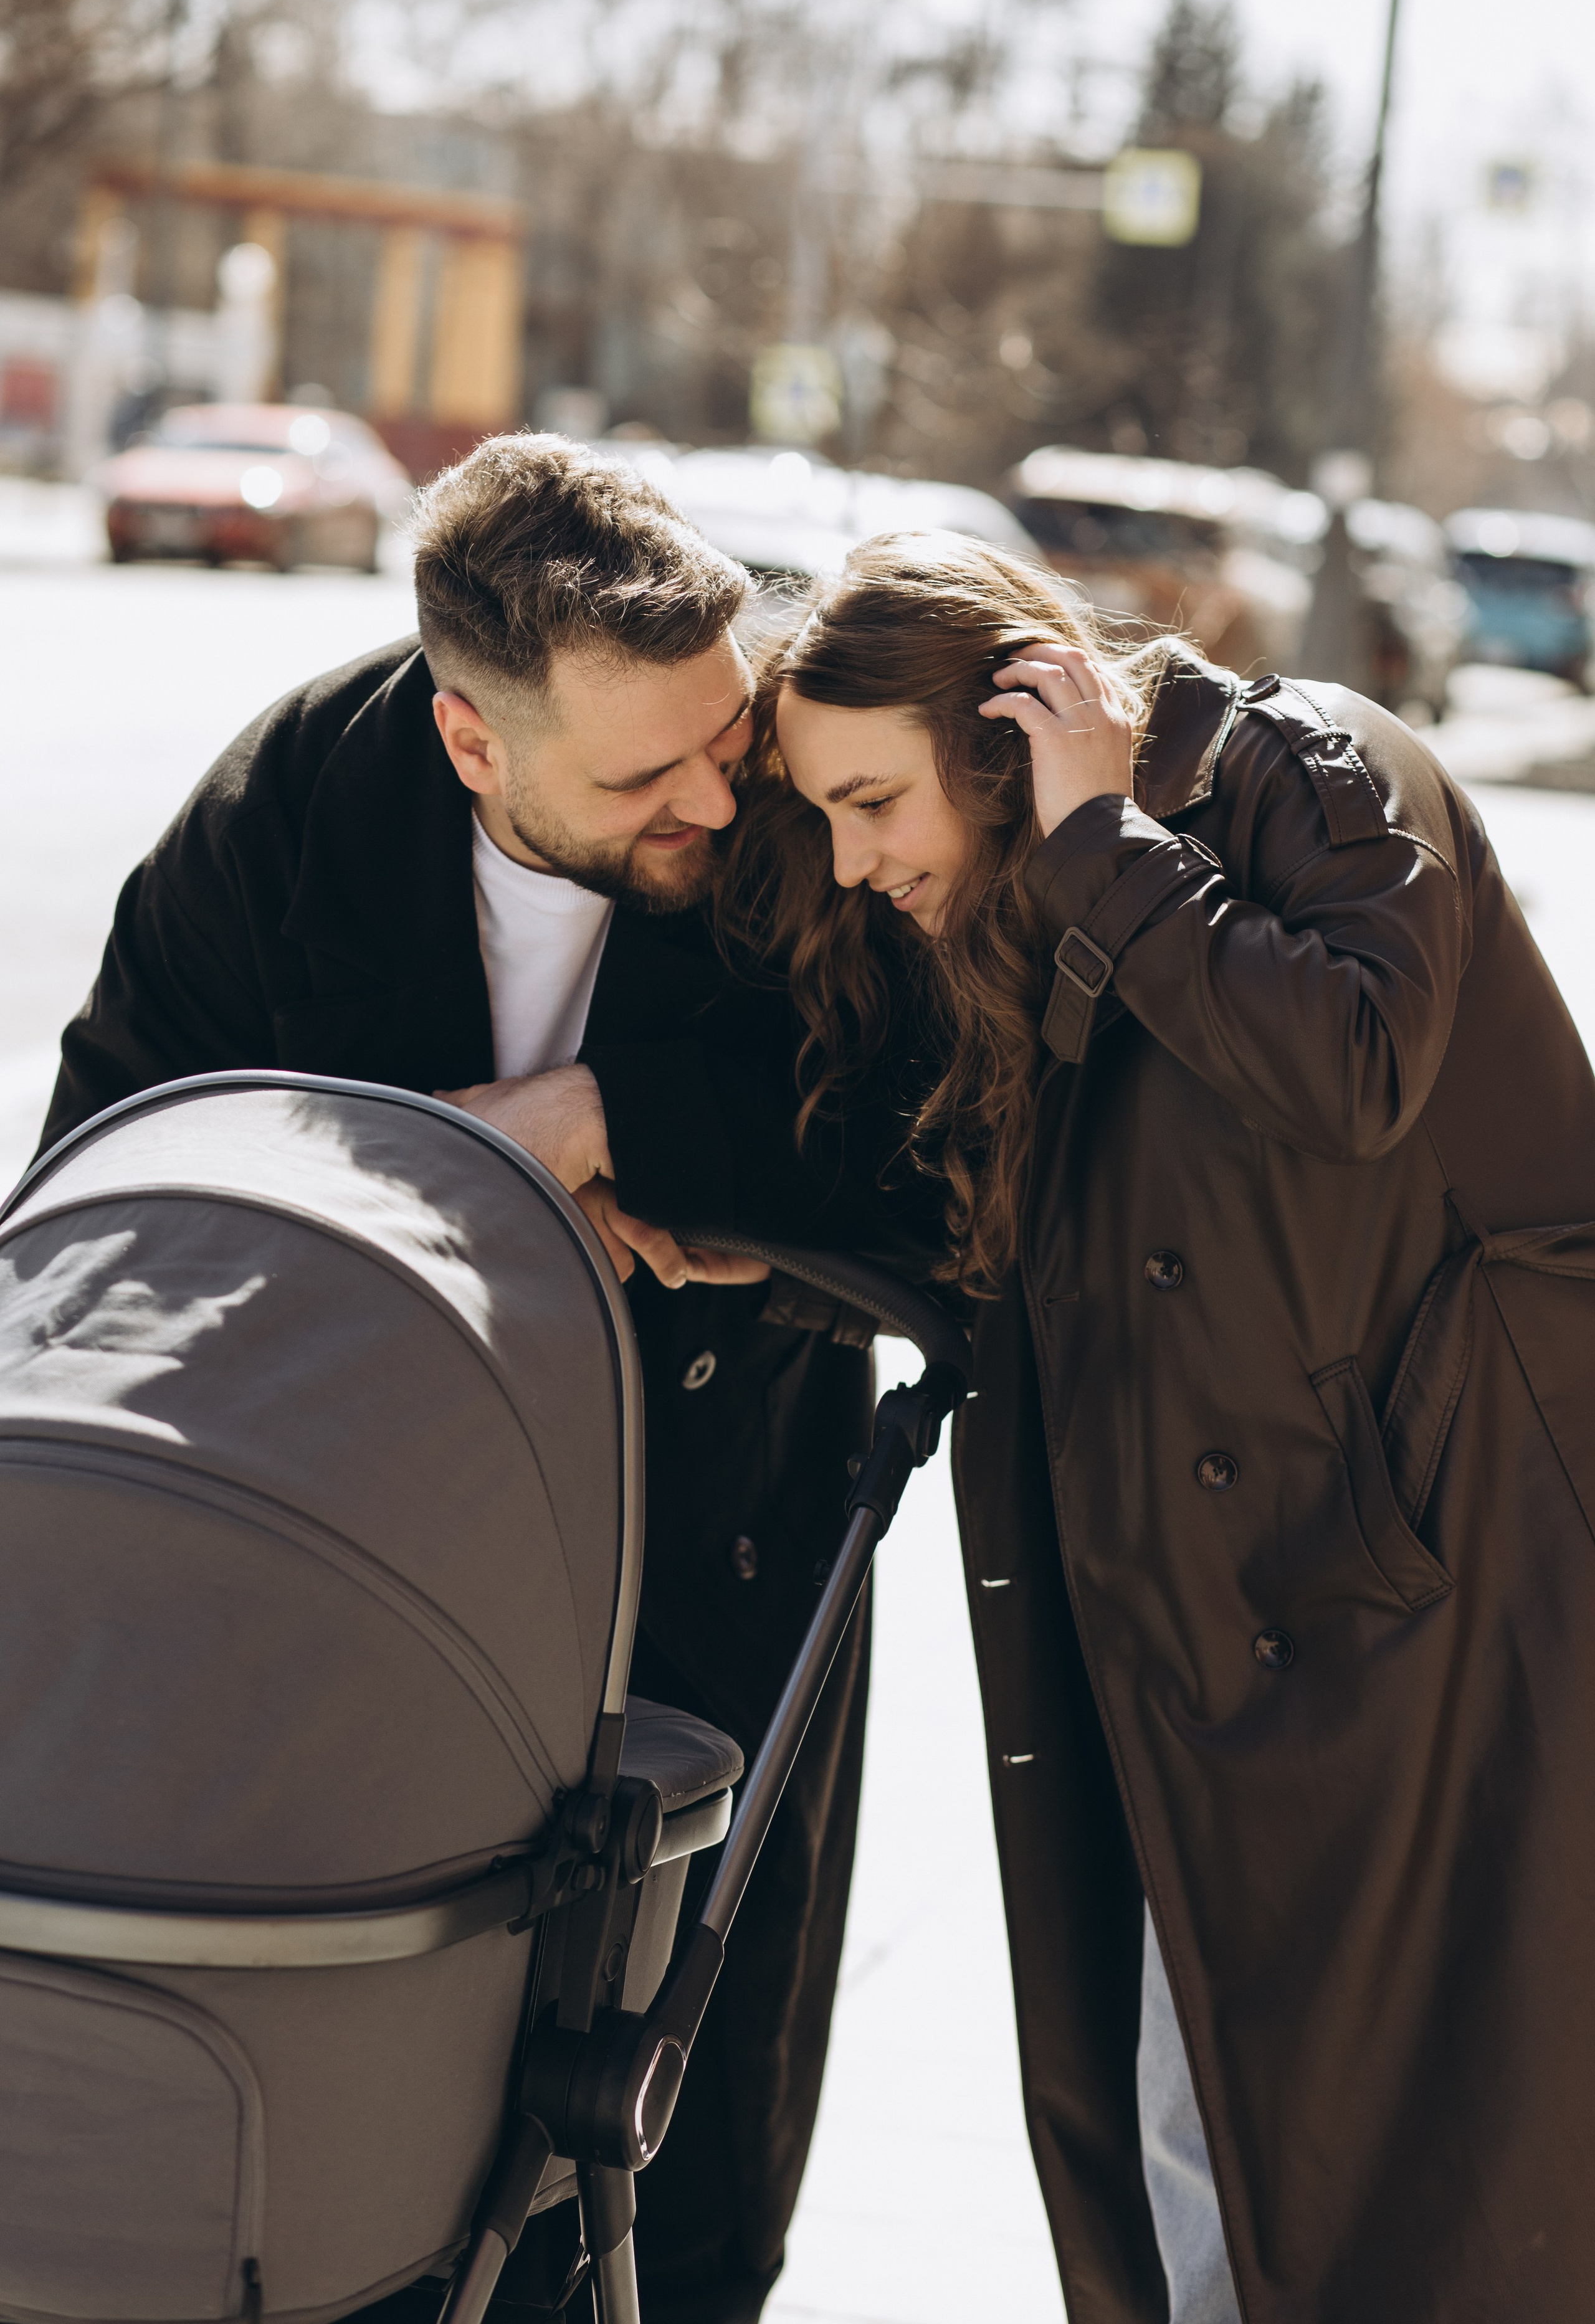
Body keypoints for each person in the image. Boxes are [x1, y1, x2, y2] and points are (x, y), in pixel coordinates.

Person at [702, 528, 1595, 2324]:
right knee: (1209, 2131)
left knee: (1400, 2155)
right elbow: (1064, 1249)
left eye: (872, 800)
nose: (861, 860)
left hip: (1430, 1599)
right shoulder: (1022, 918)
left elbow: (1352, 1062)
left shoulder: (1315, 771)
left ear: (1002, 723)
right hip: (1207, 1629)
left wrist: (1105, 835)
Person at [37, 434, 878, 2324]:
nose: (715, 802)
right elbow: (111, 1166)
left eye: (720, 736)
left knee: (673, 2126)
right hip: (351, 1554)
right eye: (644, 775)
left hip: (713, 1529)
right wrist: (438, 1185)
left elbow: (930, 1138)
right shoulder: (284, 820)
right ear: (473, 744)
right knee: (369, 2112)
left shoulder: (785, 806)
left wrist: (615, 1114)